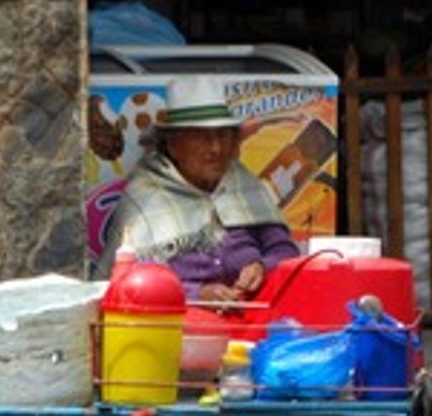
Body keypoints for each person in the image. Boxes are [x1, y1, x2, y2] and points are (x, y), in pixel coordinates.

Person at [95, 74, 298, 302]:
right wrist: (196, 294)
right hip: (177, 321)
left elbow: (284, 252)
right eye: (202, 137)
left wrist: (262, 267)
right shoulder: (146, 195)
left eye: (223, 137)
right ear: (173, 145)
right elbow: (126, 282)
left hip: (252, 315)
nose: (216, 149)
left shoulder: (243, 183)